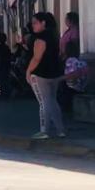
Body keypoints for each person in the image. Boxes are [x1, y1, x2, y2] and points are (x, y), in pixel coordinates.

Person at [26, 11, 65, 140]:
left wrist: (28, 72)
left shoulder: (40, 39)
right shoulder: (54, 36)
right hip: (54, 73)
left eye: (35, 23)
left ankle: (44, 130)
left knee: (43, 102)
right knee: (52, 101)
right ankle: (60, 130)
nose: (33, 26)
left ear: (43, 23)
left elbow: (36, 58)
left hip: (40, 73)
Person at [0, 33, 12, 99]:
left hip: (1, 67)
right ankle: (6, 94)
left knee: (2, 81)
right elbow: (10, 57)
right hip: (7, 67)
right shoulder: (7, 47)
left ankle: (3, 94)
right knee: (6, 80)